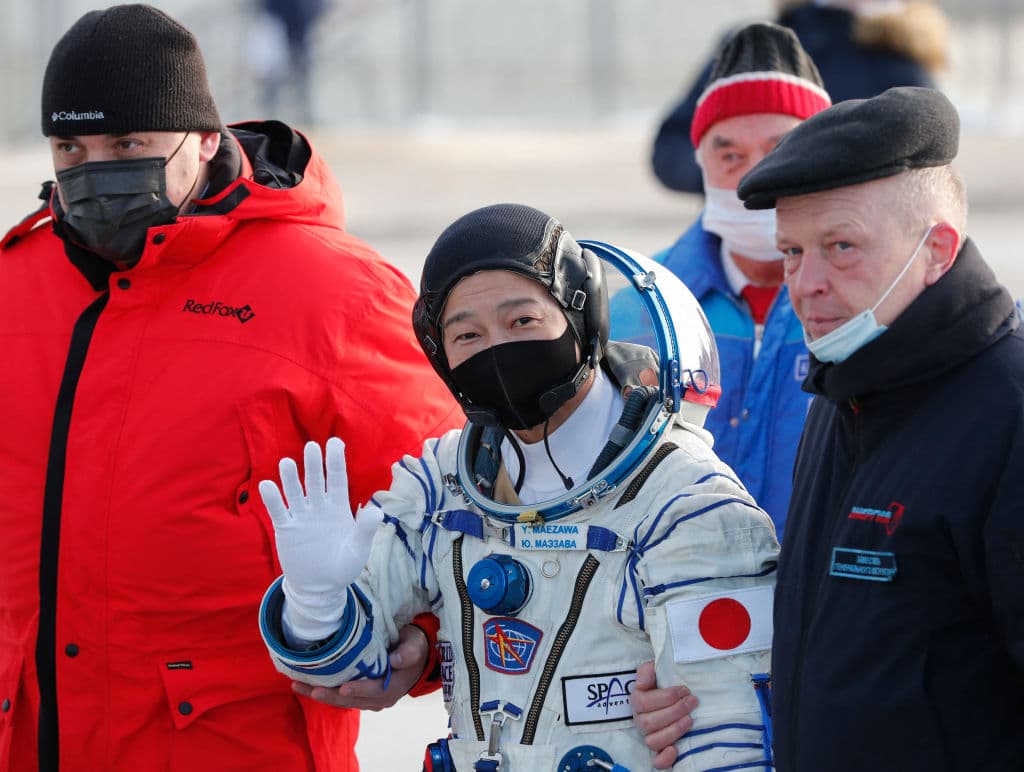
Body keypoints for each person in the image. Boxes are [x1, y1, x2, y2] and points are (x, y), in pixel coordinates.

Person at [0, 5, 460, 770]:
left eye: (128, 144)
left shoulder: (330, 295)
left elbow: (452, 499)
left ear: (204, 140)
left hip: (228, 743)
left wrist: (424, 646)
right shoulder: (16, 286)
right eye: (69, 147)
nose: (93, 171)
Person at [257, 203, 781, 771]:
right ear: (441, 356)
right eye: (467, 334)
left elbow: (729, 746)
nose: (498, 350)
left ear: (582, 318)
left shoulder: (684, 506)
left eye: (523, 320)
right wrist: (315, 602)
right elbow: (347, 674)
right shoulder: (443, 483)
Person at [637, 85, 1024, 769]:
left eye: (840, 246)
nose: (805, 283)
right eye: (791, 252)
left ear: (935, 249)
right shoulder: (840, 393)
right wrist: (695, 690)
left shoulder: (1006, 412)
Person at [652, 22, 831, 537]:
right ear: (700, 164)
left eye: (780, 150)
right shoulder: (648, 301)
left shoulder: (868, 302)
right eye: (730, 156)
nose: (754, 177)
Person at [652, 0, 948, 194]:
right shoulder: (755, 44)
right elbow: (671, 149)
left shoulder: (900, 62)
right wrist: (732, 175)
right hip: (730, 254)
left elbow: (923, 184)